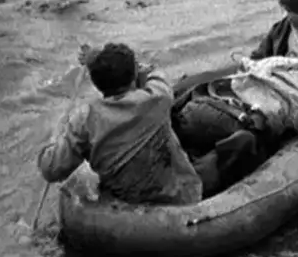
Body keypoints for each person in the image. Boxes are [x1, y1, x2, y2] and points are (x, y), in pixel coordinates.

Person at [38, 41, 221, 204]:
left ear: (95, 83)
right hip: (179, 195)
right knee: (240, 143)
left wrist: (57, 136)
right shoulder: (158, 97)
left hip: (128, 199)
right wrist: (103, 60)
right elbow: (152, 72)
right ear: (134, 73)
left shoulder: (85, 119)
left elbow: (51, 169)